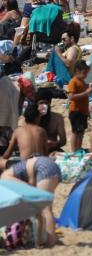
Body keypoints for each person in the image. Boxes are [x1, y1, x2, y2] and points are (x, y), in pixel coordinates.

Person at [0, 105, 61, 248]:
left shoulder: (19, 131)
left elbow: (8, 153)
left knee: (42, 208)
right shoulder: (41, 131)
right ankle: (41, 239)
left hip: (29, 167)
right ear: (37, 117)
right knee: (43, 208)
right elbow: (45, 153)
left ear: (24, 117)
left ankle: (48, 241)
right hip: (43, 165)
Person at [66, 60, 92, 152]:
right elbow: (71, 97)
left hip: (82, 111)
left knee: (81, 132)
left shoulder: (83, 82)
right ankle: (74, 150)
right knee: (75, 132)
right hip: (76, 111)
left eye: (86, 73)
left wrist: (87, 111)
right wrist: (86, 92)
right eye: (84, 73)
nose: (86, 75)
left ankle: (78, 148)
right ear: (77, 71)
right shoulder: (73, 82)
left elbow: (85, 99)